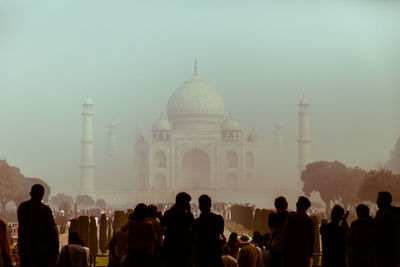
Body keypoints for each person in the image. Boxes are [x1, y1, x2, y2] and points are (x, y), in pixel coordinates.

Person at [18, 184, 59, 267]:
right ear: (42, 195)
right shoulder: (45, 210)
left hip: (26, 249)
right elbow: (52, 232)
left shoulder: (23, 207)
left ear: (30, 194)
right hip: (42, 251)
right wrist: (55, 253)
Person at [161, 192, 194, 267]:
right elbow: (193, 227)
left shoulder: (168, 213)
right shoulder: (187, 215)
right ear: (183, 203)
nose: (188, 205)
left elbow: (162, 225)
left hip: (170, 247)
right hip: (183, 248)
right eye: (187, 203)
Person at [281, 196, 314, 267]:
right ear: (307, 208)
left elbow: (284, 236)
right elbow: (311, 241)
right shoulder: (310, 222)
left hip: (290, 255)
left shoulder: (291, 217)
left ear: (297, 204)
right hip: (304, 256)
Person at [192, 194, 224, 267]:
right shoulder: (219, 219)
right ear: (210, 205)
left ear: (199, 206)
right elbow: (221, 235)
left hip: (202, 258)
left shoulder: (196, 222)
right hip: (216, 257)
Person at [374, 191, 400, 267]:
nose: (376, 202)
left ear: (383, 201)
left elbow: (376, 230)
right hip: (395, 250)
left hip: (383, 250)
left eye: (378, 199)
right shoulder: (396, 212)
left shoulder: (381, 213)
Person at [268, 196, 288, 267]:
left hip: (274, 249)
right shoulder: (290, 217)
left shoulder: (272, 217)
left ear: (275, 206)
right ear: (286, 205)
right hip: (286, 250)